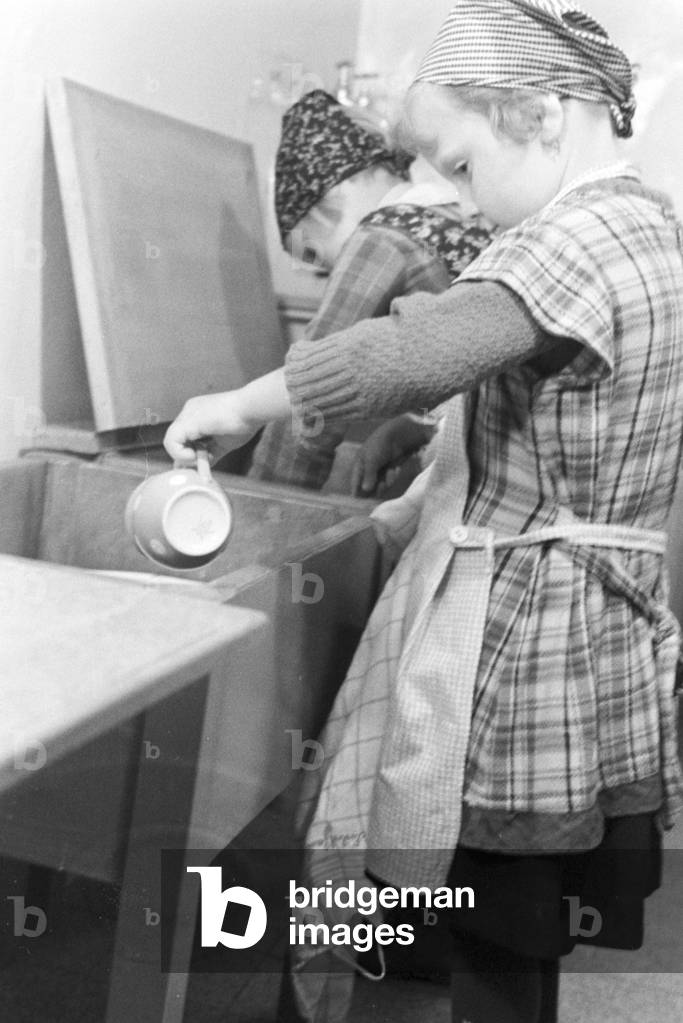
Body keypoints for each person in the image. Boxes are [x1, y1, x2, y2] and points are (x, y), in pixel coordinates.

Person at [165, 2, 683, 1021]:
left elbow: (394, 358)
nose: (452, 197)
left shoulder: (567, 243)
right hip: (600, 620)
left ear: (538, 114)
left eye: (457, 164)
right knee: (523, 922)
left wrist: (239, 403)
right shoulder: (649, 223)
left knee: (493, 914)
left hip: (529, 629)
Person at [248, 88, 492, 495]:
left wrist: (259, 505)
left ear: (332, 198)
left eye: (317, 256)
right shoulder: (454, 213)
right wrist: (413, 428)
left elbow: (312, 405)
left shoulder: (382, 236)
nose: (329, 272)